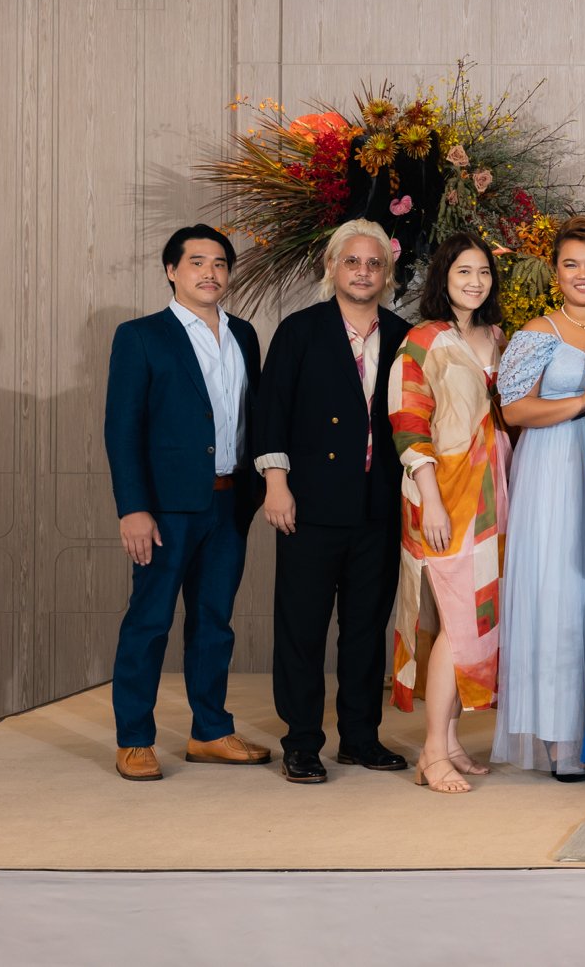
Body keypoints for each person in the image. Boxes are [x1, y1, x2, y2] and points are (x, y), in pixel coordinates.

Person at [104, 225, 270, 781]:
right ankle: (134, 738)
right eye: (196, 262)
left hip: (229, 502)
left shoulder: (244, 334)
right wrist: (133, 508)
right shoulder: (141, 336)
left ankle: (210, 732)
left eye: (219, 263)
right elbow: (122, 429)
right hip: (164, 509)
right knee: (150, 621)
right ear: (172, 271)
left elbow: (252, 416)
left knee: (214, 621)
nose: (210, 272)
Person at [253, 219, 410, 784]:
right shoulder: (300, 330)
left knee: (366, 629)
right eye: (352, 262)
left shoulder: (405, 335)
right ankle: (301, 741)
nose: (363, 272)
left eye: (373, 263)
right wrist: (276, 483)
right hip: (310, 505)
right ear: (331, 267)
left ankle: (361, 737)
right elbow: (271, 411)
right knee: (302, 627)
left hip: (379, 506)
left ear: (386, 274)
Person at [492, 216, 585, 780]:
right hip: (552, 471)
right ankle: (560, 736)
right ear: (556, 271)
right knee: (559, 595)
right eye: (571, 264)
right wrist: (584, 402)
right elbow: (513, 411)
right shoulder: (537, 331)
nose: (582, 274)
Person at [388, 232, 510, 794]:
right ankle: (432, 751)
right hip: (446, 493)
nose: (475, 282)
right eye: (464, 271)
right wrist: (431, 499)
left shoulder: (499, 336)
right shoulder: (423, 340)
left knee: (477, 616)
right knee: (458, 622)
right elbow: (408, 424)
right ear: (444, 276)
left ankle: (453, 739)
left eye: (483, 271)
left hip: (495, 492)